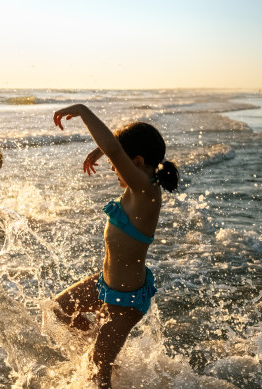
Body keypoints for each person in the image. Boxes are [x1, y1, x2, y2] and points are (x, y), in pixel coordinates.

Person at [52, 104, 179, 388]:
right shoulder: (138, 187)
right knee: (56, 311)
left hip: (125, 302)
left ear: (136, 162)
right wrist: (103, 151)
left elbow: (114, 147)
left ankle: (105, 353)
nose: (114, 169)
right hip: (105, 285)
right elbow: (115, 149)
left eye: (117, 164)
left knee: (99, 377)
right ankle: (102, 347)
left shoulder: (145, 191)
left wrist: (83, 111)